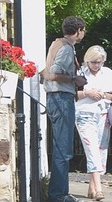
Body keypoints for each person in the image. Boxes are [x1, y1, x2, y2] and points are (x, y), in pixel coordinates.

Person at [42, 16, 87, 202]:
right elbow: (53, 74)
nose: (83, 33)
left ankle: (60, 193)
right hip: (61, 98)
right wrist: (74, 80)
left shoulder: (57, 44)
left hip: (55, 99)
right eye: (83, 30)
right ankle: (58, 195)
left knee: (61, 147)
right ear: (78, 30)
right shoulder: (66, 48)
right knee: (63, 148)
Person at [75, 45, 112, 201]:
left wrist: (101, 95)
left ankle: (91, 187)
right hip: (84, 114)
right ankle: (99, 190)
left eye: (100, 62)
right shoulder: (79, 73)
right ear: (87, 60)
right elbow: (73, 94)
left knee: (101, 150)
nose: (96, 65)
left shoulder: (107, 73)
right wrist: (88, 92)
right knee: (92, 149)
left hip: (103, 114)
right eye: (94, 62)